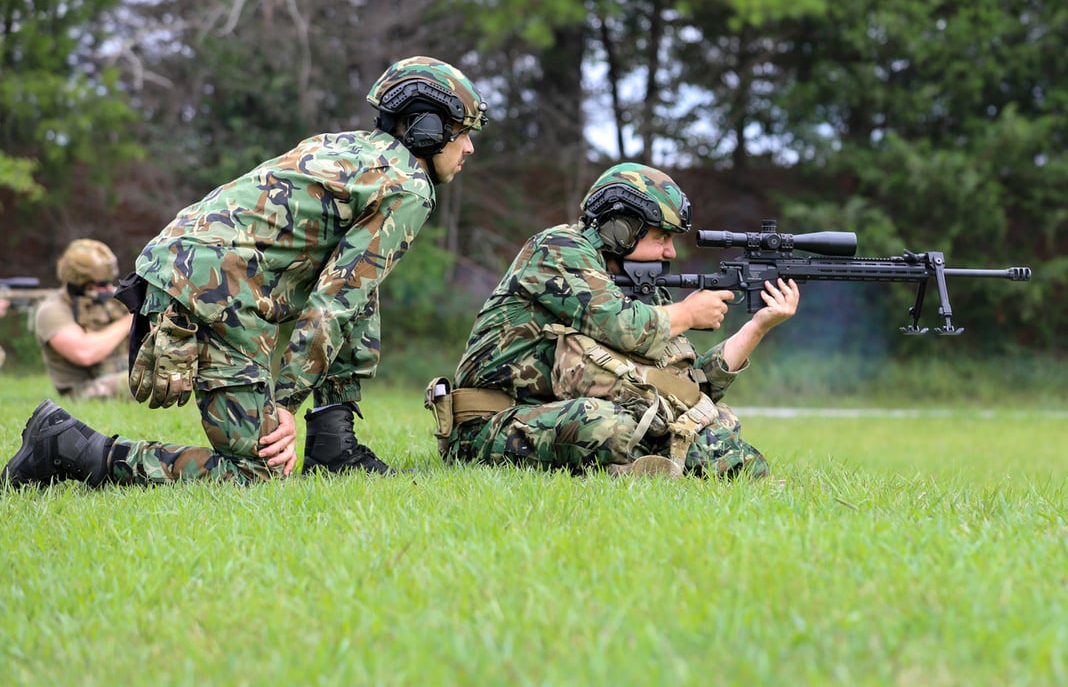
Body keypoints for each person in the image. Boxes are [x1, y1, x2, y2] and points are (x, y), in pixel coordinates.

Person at [3, 55, 488, 488]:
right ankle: (69, 448)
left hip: (188, 269)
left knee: (365, 291)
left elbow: (350, 292)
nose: (468, 149)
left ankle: (333, 447)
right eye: (463, 132)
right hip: (216, 290)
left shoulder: (346, 148)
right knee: (256, 471)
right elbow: (333, 305)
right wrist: (286, 405)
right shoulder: (408, 185)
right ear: (427, 128)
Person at [426, 163, 799, 478]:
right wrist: (686, 313)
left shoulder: (637, 285)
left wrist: (758, 326)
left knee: (698, 420)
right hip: (490, 425)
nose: (670, 250)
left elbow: (684, 386)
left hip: (549, 418)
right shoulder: (558, 249)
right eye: (661, 237)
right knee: (611, 423)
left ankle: (677, 466)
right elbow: (623, 326)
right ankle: (662, 465)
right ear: (620, 228)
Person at [32, 240, 134, 400]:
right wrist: (131, 320)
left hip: (119, 375)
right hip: (83, 391)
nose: (109, 289)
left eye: (109, 282)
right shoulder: (52, 311)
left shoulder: (107, 301)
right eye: (101, 284)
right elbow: (85, 353)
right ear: (80, 284)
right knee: (150, 381)